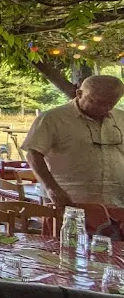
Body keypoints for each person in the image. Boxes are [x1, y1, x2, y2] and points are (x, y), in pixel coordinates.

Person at [23, 75, 124, 208]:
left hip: (116, 201)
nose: (104, 108)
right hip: (68, 199)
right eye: (97, 102)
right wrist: (51, 188)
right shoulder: (52, 119)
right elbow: (33, 154)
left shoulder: (121, 118)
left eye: (111, 104)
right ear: (79, 93)